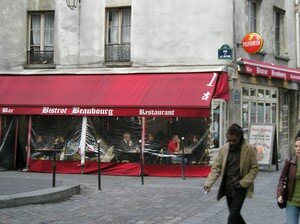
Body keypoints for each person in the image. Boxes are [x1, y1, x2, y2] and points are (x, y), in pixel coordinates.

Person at [204, 123, 259, 224]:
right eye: (229, 140)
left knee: (232, 218)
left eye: (234, 140)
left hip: (241, 187)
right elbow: (216, 168)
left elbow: (254, 168)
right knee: (235, 215)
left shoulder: (249, 148)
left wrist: (243, 182)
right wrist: (208, 183)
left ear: (240, 137)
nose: (231, 142)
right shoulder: (224, 149)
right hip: (228, 186)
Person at [277, 137, 300, 224]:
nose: (298, 149)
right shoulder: (290, 162)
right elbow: (282, 179)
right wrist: (279, 194)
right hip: (292, 202)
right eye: (296, 146)